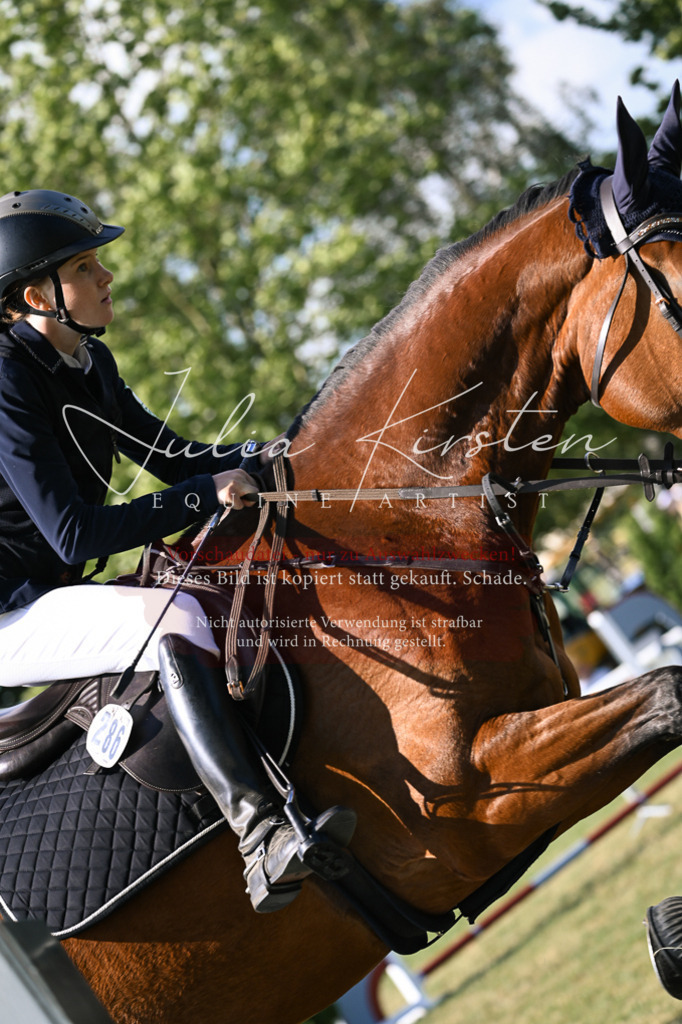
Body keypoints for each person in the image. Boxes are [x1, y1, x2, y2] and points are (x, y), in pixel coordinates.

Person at [0, 189, 354, 913]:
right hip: (8, 616)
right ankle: (260, 833)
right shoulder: (3, 379)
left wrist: (271, 458)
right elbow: (72, 532)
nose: (107, 278)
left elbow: (169, 454)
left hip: (51, 593)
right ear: (38, 294)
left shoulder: (88, 361)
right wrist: (206, 492)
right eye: (87, 266)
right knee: (174, 618)